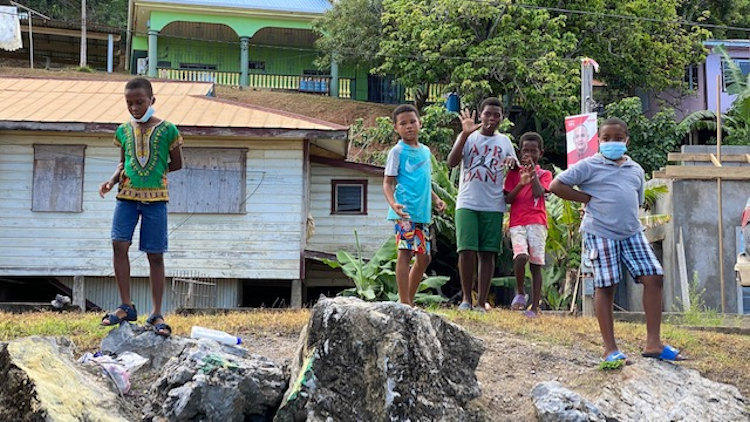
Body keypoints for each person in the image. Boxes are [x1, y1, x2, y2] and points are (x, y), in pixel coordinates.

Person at [549, 117, 685, 363]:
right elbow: (555, 184)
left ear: (627, 141)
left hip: (631, 232)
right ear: (599, 141)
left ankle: (654, 343)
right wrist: (585, 199)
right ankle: (610, 349)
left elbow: (638, 198)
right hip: (600, 231)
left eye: (618, 138)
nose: (613, 142)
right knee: (606, 285)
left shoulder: (635, 170)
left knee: (654, 276)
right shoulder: (589, 165)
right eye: (607, 138)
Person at [99, 77, 184, 337]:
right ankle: (126, 305)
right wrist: (112, 180)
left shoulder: (169, 129)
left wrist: (156, 172)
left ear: (152, 101)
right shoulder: (123, 131)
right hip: (126, 197)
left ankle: (157, 313)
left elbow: (178, 163)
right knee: (118, 244)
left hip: (156, 199)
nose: (135, 107)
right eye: (129, 103)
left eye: (140, 102)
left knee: (155, 254)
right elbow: (122, 162)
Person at [447, 98, 518, 312]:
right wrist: (465, 135)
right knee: (466, 250)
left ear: (502, 118)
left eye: (497, 115)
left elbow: (514, 166)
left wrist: (511, 164)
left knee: (487, 253)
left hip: (493, 204)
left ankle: (481, 302)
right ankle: (466, 299)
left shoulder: (504, 141)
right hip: (467, 202)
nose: (492, 119)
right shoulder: (468, 137)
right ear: (480, 114)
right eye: (488, 114)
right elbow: (451, 162)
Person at [383, 104, 446, 306]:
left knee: (424, 258)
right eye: (403, 123)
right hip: (405, 211)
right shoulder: (397, 151)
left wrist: (436, 200)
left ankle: (408, 300)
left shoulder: (426, 152)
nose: (409, 126)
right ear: (396, 128)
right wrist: (393, 203)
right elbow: (387, 182)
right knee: (405, 253)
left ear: (420, 123)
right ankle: (404, 302)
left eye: (412, 122)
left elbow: (425, 182)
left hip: (422, 212)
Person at [503, 132, 552, 317]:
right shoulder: (514, 174)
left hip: (537, 222)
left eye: (533, 151)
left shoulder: (545, 174)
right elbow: (508, 198)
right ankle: (521, 292)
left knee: (536, 264)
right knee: (521, 255)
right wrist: (521, 184)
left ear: (540, 152)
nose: (529, 154)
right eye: (525, 151)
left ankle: (535, 306)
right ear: (519, 152)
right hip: (517, 222)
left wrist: (533, 175)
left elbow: (540, 193)